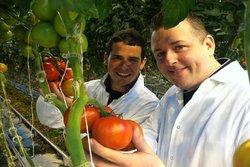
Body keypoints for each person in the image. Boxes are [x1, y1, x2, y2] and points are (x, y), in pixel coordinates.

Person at [88, 12, 250, 167]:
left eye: (179, 47)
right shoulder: (171, 96)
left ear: (208, 45)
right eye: (160, 54)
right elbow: (147, 138)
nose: (169, 60)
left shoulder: (244, 95)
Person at [36, 28, 159, 128]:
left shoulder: (150, 104)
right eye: (117, 58)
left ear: (142, 63)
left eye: (132, 60)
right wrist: (53, 97)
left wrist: (79, 110)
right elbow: (49, 120)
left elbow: (125, 147)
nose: (124, 67)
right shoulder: (88, 88)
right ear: (106, 58)